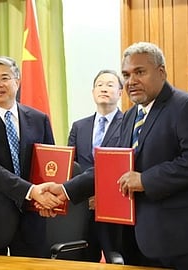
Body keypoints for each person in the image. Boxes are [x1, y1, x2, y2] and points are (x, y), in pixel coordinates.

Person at [40, 42, 188, 269]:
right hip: (143, 239)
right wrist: (64, 190)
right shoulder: (130, 116)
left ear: (161, 72)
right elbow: (112, 166)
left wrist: (145, 179)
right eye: (126, 74)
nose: (131, 81)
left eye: (140, 72)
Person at [0, 56, 63, 257]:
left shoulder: (38, 119)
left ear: (17, 81)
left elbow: (48, 162)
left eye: (4, 78)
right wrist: (31, 191)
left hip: (31, 220)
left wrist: (48, 198)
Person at [67, 69, 124, 262]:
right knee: (83, 260)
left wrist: (102, 196)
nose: (104, 89)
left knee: (116, 258)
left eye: (110, 85)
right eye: (99, 85)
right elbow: (71, 166)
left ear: (120, 93)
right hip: (83, 208)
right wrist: (86, 195)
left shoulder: (128, 124)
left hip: (115, 209)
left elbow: (125, 165)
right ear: (93, 92)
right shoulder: (79, 126)